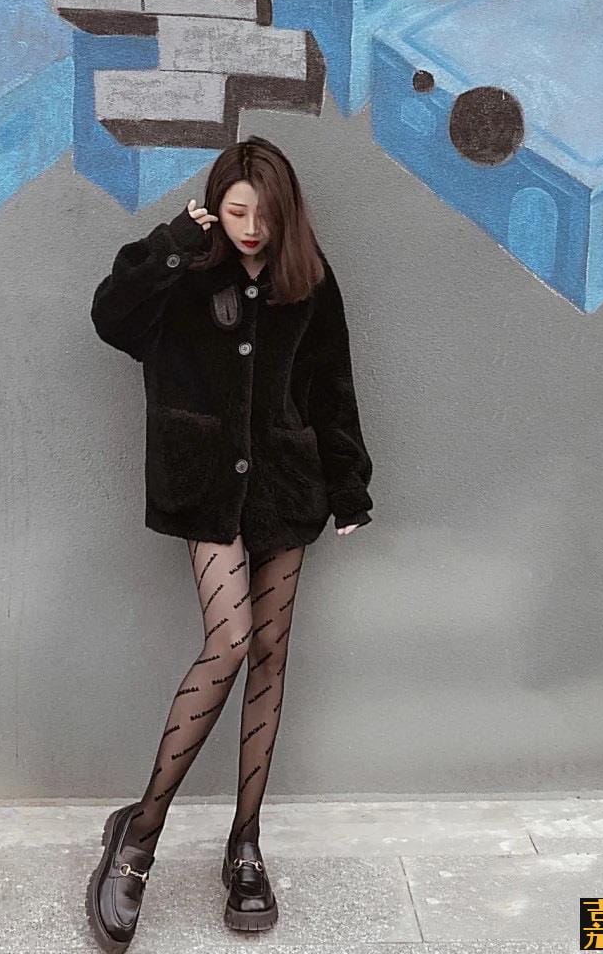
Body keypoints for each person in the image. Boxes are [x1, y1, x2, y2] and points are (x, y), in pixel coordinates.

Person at [85, 135, 374, 951]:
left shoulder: (308, 279)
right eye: (238, 211)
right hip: (208, 487)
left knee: (272, 654)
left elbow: (332, 388)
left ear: (287, 215)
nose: (251, 228)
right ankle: (138, 838)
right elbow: (111, 318)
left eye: (265, 215)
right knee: (232, 640)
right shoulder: (184, 268)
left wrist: (349, 485)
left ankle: (245, 845)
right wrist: (173, 243)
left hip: (285, 486)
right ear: (216, 206)